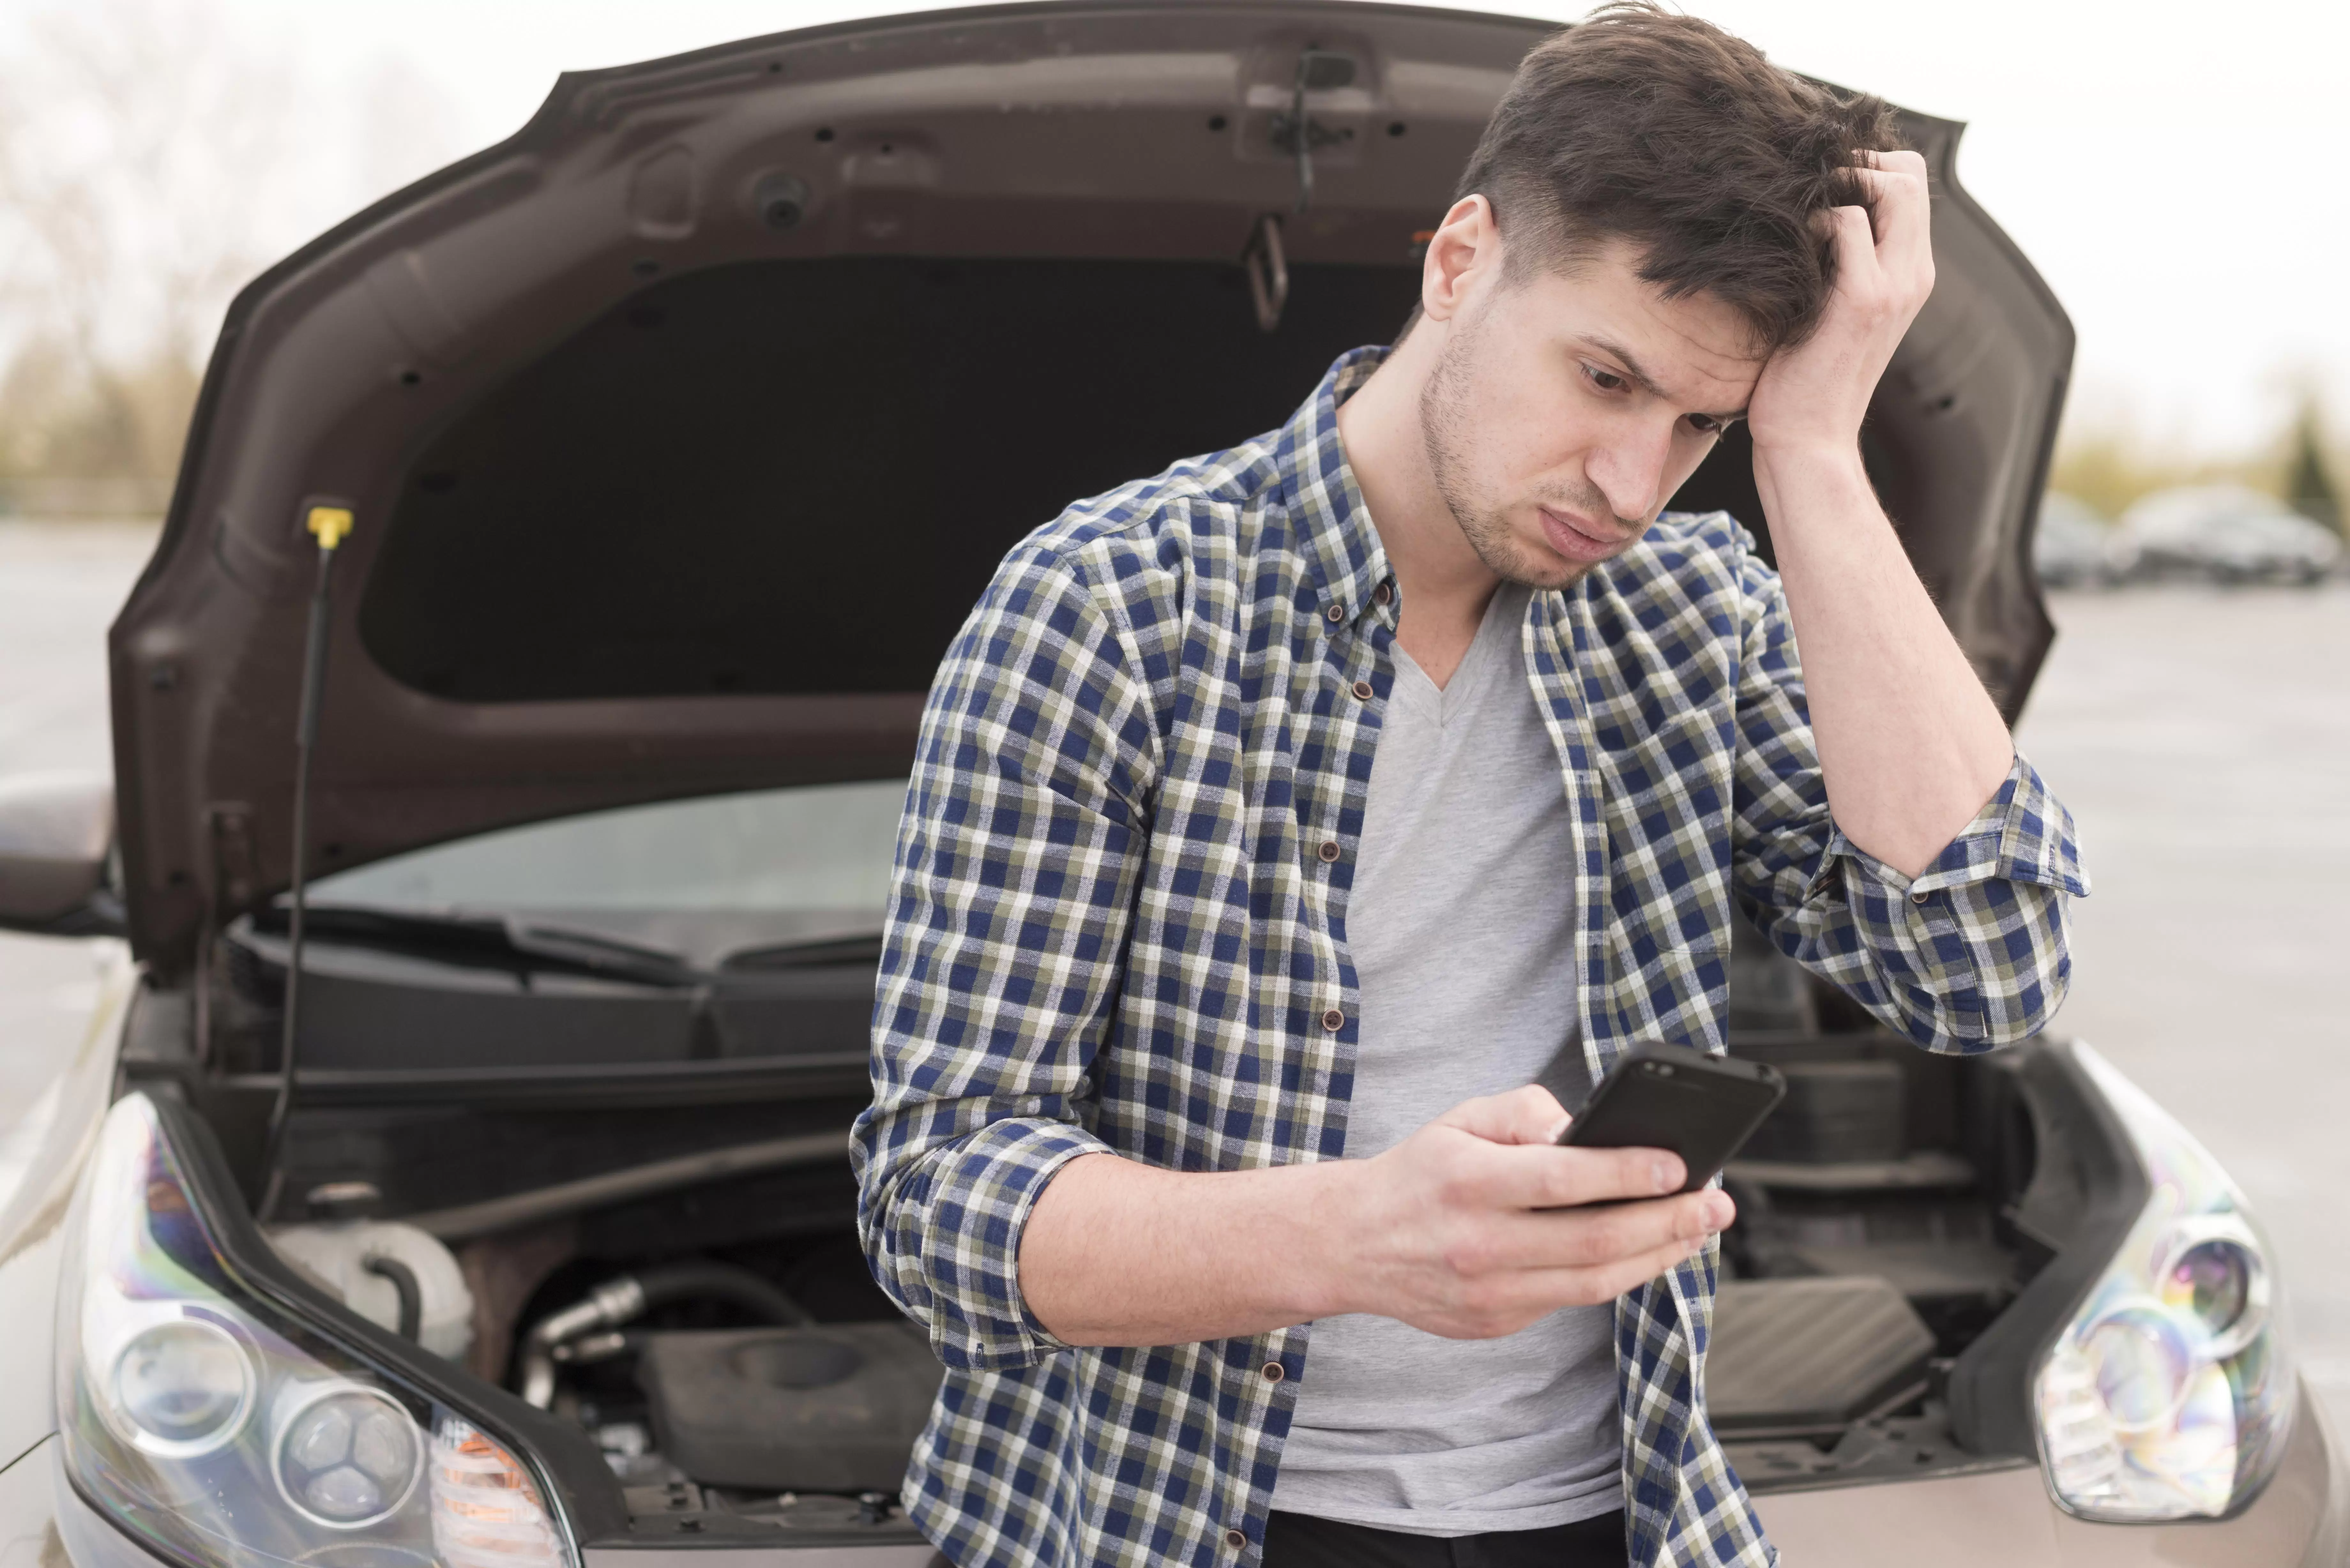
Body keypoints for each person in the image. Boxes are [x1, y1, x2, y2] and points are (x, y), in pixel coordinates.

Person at [852, 6, 2086, 1565]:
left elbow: (1986, 972)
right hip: (1175, 1518)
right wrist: (1358, 1239)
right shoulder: (1111, 607)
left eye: (1700, 423)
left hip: (1611, 1517)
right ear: (1458, 260)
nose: (1633, 485)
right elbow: (939, 1193)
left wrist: (1813, 457)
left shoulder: (1693, 613)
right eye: (1604, 376)